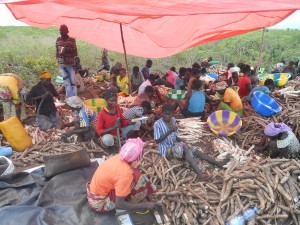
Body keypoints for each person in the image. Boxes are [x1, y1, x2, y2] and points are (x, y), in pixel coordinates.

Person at [154, 104, 226, 181]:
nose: (166, 116)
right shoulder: (157, 124)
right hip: (166, 150)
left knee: (195, 150)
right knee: (185, 147)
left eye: (169, 114)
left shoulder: (173, 120)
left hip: (175, 145)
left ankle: (218, 164)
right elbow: (157, 140)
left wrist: (182, 141)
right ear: (162, 113)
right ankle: (200, 175)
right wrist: (170, 131)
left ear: (172, 114)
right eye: (164, 114)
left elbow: (174, 136)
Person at [87, 138, 157, 213]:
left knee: (136, 174)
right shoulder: (125, 173)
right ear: (135, 160)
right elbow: (119, 204)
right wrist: (145, 205)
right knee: (138, 178)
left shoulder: (118, 157)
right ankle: (134, 200)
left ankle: (147, 195)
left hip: (93, 194)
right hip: (99, 204)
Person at [56, 24, 78, 97]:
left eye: (63, 30)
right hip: (62, 66)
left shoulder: (72, 40)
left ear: (67, 31)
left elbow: (75, 53)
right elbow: (57, 53)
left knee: (73, 83)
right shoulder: (58, 40)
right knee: (67, 83)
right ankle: (71, 99)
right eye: (61, 30)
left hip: (71, 65)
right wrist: (59, 55)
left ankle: (74, 97)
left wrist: (65, 54)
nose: (61, 32)